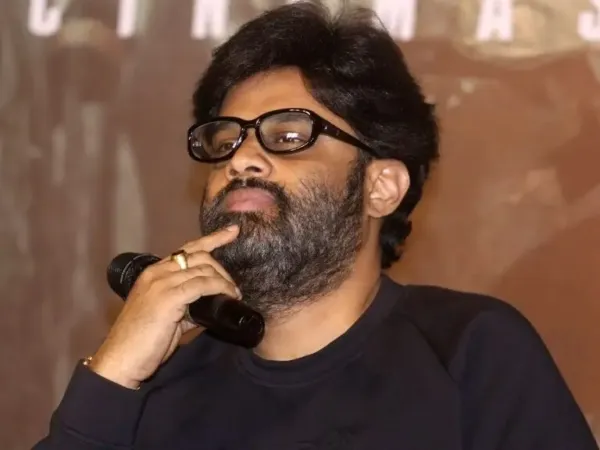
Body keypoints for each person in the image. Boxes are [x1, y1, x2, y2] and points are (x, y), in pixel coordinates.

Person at [33, 2, 598, 449]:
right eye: (225, 139)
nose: (240, 159)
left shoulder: (470, 353)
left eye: (287, 134)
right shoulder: (158, 390)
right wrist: (111, 374)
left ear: (381, 187)